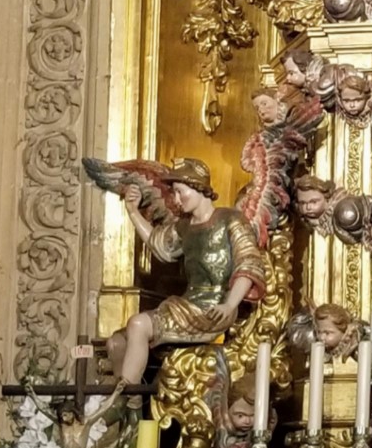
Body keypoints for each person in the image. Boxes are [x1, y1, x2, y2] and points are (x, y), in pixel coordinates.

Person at [104, 159, 266, 387]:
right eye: (175, 194)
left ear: (199, 187)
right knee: (116, 343)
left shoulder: (231, 220)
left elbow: (248, 264)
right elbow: (159, 245)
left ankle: (121, 397)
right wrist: (132, 211)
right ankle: (129, 413)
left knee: (139, 325)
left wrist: (230, 305)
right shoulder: (184, 226)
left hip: (214, 308)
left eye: (181, 193)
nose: (177, 201)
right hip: (187, 304)